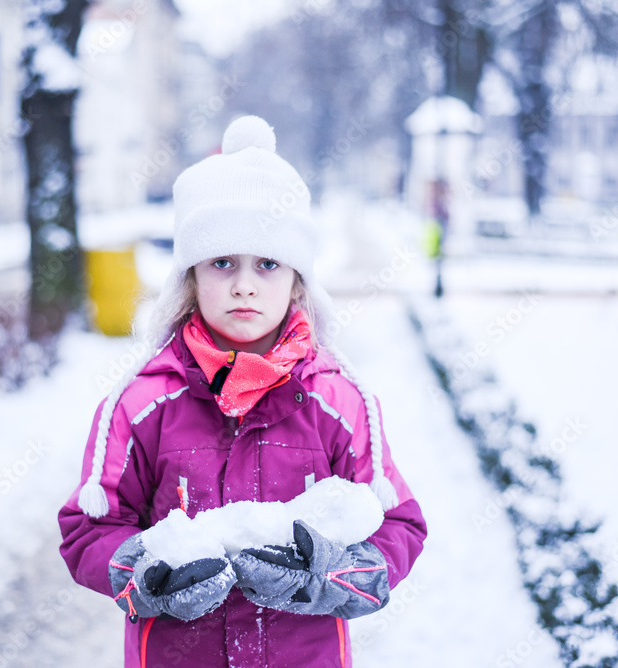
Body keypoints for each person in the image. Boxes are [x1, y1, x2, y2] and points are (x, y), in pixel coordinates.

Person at [58, 115, 427, 668]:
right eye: (222, 261)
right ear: (191, 276)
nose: (244, 284)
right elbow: (90, 528)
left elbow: (398, 525)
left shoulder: (339, 404)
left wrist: (330, 574)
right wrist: (146, 575)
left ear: (297, 280)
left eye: (269, 264)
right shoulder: (142, 405)